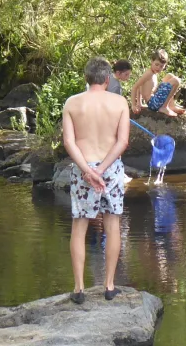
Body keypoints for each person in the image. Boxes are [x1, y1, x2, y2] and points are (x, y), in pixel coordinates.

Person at [63, 57, 130, 303]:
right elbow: (122, 142)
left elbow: (69, 142)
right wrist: (101, 170)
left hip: (83, 169)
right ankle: (109, 286)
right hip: (110, 168)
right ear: (108, 79)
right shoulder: (120, 102)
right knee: (113, 225)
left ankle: (79, 288)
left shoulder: (72, 103)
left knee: (79, 227)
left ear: (86, 78)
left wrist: (89, 171)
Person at [130, 49, 184, 117]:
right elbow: (135, 87)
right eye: (156, 64)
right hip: (153, 103)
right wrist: (134, 105)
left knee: (170, 76)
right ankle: (164, 107)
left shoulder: (152, 73)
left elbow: (141, 86)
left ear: (165, 66)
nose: (158, 68)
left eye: (161, 66)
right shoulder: (149, 73)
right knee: (176, 81)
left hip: (154, 99)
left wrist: (139, 103)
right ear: (152, 61)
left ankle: (171, 106)